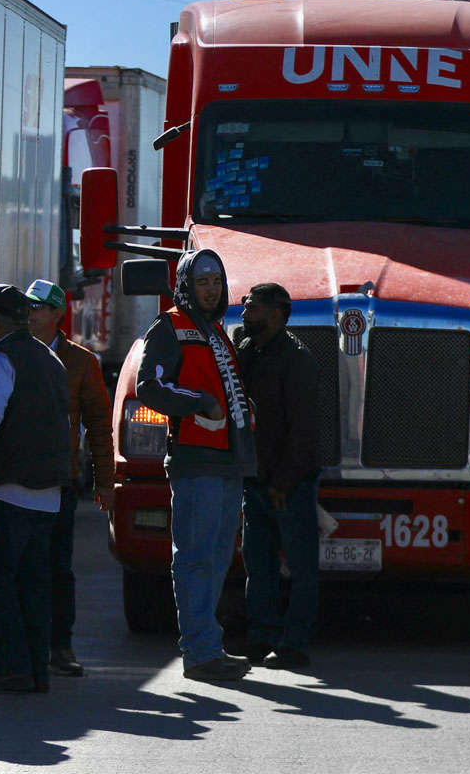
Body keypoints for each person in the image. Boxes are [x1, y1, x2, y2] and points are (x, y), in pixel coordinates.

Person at [135, 248, 256, 682]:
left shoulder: (218, 332)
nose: (211, 289)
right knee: (196, 558)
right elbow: (149, 386)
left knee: (219, 558)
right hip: (196, 461)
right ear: (186, 285)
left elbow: (222, 389)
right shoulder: (169, 326)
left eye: (216, 282)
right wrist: (198, 403)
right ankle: (200, 653)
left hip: (227, 463)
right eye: (202, 281)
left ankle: (209, 646)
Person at [0, 284, 73, 694]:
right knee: (35, 586)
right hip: (47, 495)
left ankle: (10, 666)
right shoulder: (51, 358)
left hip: (6, 491)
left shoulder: (1, 357)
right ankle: (35, 669)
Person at [24, 279, 114, 679]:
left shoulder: (81, 362)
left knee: (58, 567)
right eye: (28, 306)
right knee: (20, 567)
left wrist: (105, 481)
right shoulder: (15, 354)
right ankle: (19, 648)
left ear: (58, 313)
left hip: (60, 480)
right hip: (19, 478)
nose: (30, 313)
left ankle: (60, 646)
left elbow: (99, 424)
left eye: (38, 307)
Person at [235, 281, 322, 671]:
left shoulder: (297, 360)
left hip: (290, 487)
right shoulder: (248, 352)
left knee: (301, 567)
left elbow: (305, 430)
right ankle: (261, 637)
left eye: (251, 308)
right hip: (255, 481)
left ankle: (294, 644)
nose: (244, 313)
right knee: (259, 565)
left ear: (275, 315)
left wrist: (282, 483)